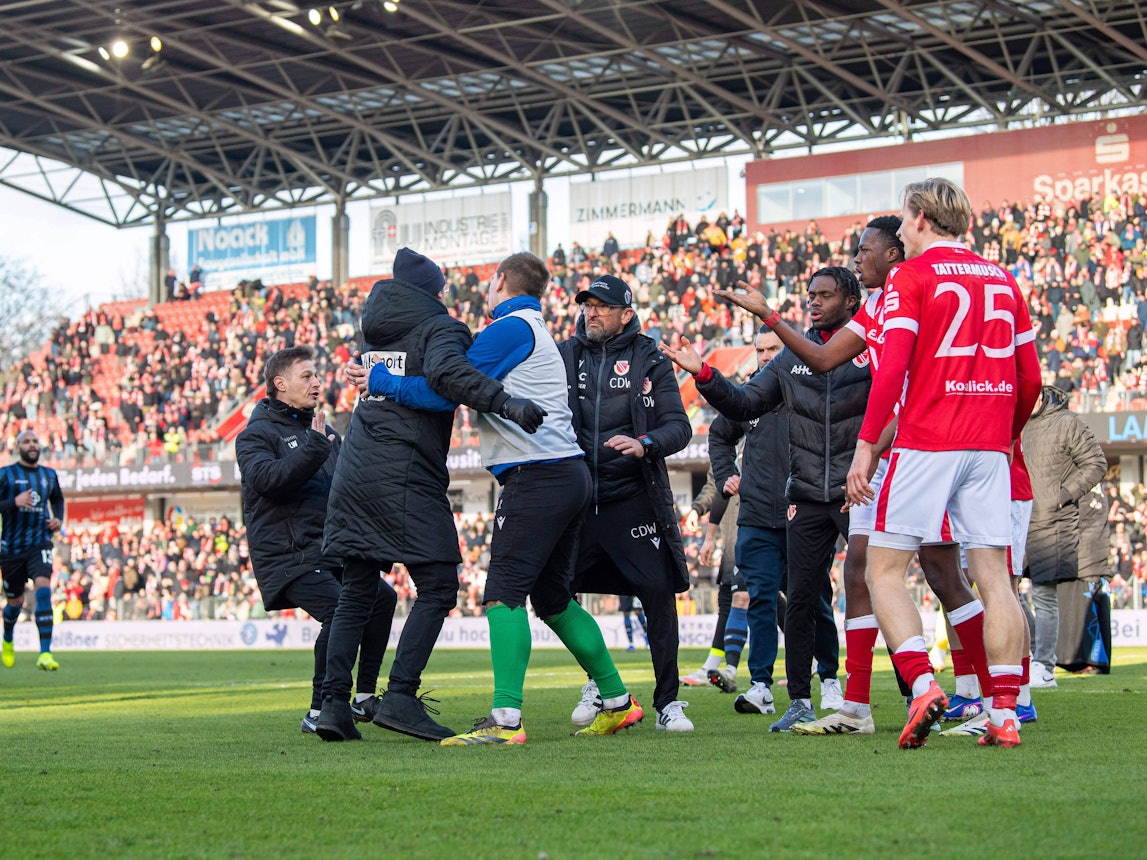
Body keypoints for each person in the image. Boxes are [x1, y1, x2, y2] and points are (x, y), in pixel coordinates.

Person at [711, 216, 988, 737]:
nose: (858, 257)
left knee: (948, 572)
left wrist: (869, 451)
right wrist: (766, 319)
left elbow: (910, 396)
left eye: (865, 250)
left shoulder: (915, 293)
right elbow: (818, 358)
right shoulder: (881, 306)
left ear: (892, 252)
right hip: (890, 458)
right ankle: (860, 704)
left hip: (925, 450)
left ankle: (982, 697)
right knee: (870, 572)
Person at [366, 252, 644, 745]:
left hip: (538, 476)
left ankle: (506, 720)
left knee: (502, 595)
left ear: (498, 283)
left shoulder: (509, 328)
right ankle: (619, 702)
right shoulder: (533, 329)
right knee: (554, 601)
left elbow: (444, 389)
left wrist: (382, 381)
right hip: (566, 473)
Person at [316, 247, 546, 742]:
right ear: (433, 291)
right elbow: (448, 380)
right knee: (439, 583)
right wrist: (505, 400)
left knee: (356, 591)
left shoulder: (373, 330)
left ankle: (332, 705)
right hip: (404, 469)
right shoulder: (441, 328)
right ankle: (399, 696)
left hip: (355, 466)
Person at [845, 178, 1042, 749]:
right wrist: (1003, 435)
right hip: (988, 445)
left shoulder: (913, 275)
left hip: (928, 439)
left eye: (905, 220)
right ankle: (1003, 711)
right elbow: (1029, 378)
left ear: (924, 218)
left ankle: (924, 684)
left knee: (881, 570)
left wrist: (864, 445)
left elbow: (893, 368)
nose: (900, 231)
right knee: (994, 581)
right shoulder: (1004, 280)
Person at [662, 266, 869, 732]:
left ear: (852, 301)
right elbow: (743, 404)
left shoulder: (870, 347)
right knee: (797, 599)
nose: (814, 302)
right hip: (807, 494)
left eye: (826, 295)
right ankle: (799, 699)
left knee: (871, 585)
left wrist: (873, 459)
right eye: (810, 294)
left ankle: (906, 687)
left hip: (860, 488)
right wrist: (704, 374)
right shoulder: (789, 361)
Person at [558, 275, 696, 732]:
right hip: (577, 501)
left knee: (658, 594)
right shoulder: (566, 354)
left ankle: (667, 703)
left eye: (601, 306)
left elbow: (679, 427)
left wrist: (646, 443)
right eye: (587, 305)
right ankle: (600, 684)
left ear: (626, 313)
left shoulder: (650, 359)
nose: (590, 312)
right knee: (557, 594)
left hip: (632, 501)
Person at [235, 346, 394, 735]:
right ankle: (320, 708)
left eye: (316, 375)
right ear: (280, 384)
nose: (317, 382)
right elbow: (268, 481)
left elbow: (345, 490)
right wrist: (314, 447)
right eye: (306, 376)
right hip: (288, 554)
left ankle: (362, 698)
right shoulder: (255, 435)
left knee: (382, 598)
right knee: (342, 610)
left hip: (329, 549)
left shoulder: (323, 433)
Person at [706, 327, 840, 714]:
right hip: (757, 516)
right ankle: (761, 685)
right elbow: (719, 436)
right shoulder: (749, 397)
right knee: (760, 599)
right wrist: (726, 472)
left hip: (805, 513)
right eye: (760, 350)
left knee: (814, 600)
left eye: (773, 349)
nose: (766, 357)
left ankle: (829, 676)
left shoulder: (811, 390)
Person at [1021, 385, 1107, 688]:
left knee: (1044, 596)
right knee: (1006, 589)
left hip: (1053, 523)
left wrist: (1063, 495)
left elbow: (1097, 464)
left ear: (1041, 393)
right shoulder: (1015, 423)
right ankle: (1032, 655)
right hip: (1018, 519)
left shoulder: (1067, 422)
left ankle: (1044, 667)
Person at [0, 430, 64, 671]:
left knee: (44, 588)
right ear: (18, 447)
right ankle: (7, 637)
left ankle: (45, 653)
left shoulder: (49, 475)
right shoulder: (6, 475)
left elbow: (58, 499)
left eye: (35, 441)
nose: (32, 445)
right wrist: (12, 503)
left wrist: (58, 519)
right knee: (14, 602)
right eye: (26, 441)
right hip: (11, 549)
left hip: (40, 542)